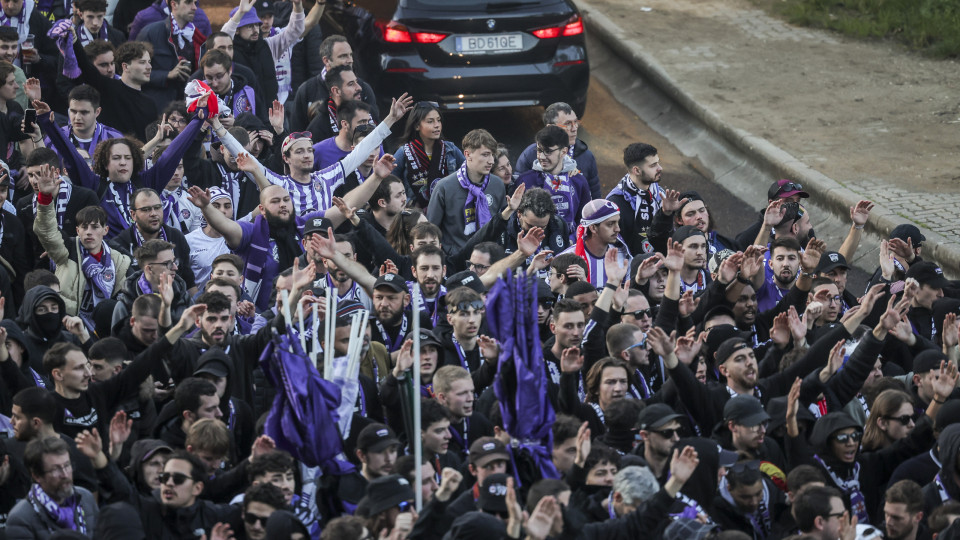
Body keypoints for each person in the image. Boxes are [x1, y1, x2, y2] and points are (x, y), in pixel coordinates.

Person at [427, 128, 506, 258]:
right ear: (467, 154)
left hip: (489, 259)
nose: (491, 161)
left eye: (492, 154)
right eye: (485, 155)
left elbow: (501, 226)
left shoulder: (497, 185)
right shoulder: (444, 187)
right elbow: (432, 230)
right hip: (455, 259)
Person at [221, 0, 304, 108]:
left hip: (271, 112)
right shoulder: (229, 51)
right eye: (250, 26)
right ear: (237, 30)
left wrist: (297, 5)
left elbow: (296, 30)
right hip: (241, 114)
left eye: (256, 25)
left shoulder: (268, 45)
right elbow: (223, 37)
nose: (255, 30)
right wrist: (240, 13)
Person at [289, 35, 378, 133]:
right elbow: (296, 134)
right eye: (343, 56)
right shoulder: (307, 90)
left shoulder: (362, 88)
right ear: (326, 61)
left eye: (350, 55)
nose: (350, 60)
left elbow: (375, 129)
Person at [518, 125, 591, 241]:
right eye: (539, 150)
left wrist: (571, 241)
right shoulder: (525, 181)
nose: (541, 156)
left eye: (548, 151)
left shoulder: (578, 181)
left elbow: (585, 220)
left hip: (570, 248)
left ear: (563, 152)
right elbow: (516, 219)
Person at [515, 102, 601, 198]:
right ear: (550, 127)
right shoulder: (530, 155)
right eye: (568, 124)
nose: (574, 128)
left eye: (575, 122)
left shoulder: (587, 157)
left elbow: (595, 198)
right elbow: (517, 194)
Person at [137, 0, 207, 111]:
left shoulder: (197, 37)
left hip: (187, 106)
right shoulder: (151, 32)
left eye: (195, 2)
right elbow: (133, 73)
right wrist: (167, 75)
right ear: (174, 4)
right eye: (188, 2)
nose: (194, 7)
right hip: (157, 106)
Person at [392, 101, 465, 208]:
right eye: (430, 121)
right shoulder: (404, 152)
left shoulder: (450, 149)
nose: (437, 125)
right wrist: (409, 204)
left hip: (448, 212)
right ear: (417, 126)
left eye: (439, 120)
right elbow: (390, 185)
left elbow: (468, 176)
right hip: (415, 216)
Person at [606, 142, 665, 256]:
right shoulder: (616, 202)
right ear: (636, 170)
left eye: (658, 163)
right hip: (630, 268)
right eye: (653, 165)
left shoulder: (661, 194)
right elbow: (613, 245)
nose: (660, 168)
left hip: (661, 266)